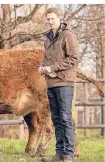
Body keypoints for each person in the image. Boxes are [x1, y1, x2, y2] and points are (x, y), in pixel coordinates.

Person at [38, 7, 79, 162]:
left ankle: (69, 154)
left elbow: (73, 59)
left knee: (65, 118)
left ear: (59, 19)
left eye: (52, 18)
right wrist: (42, 66)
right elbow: (47, 58)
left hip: (64, 82)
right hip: (51, 83)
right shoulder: (47, 38)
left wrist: (53, 68)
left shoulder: (68, 36)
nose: (50, 21)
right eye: (48, 19)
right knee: (56, 119)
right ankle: (59, 154)